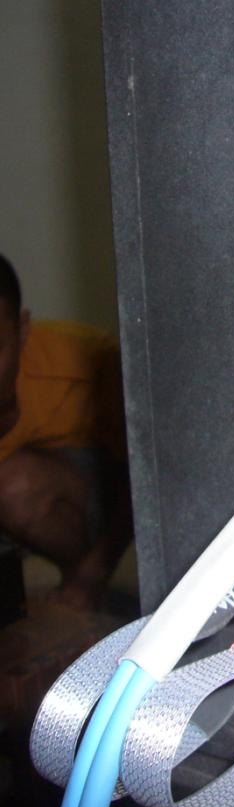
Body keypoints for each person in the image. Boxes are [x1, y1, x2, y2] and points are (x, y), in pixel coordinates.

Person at [0, 254, 133, 610]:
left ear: (22, 330)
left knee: (14, 486)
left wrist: (91, 575)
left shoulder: (88, 361)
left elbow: (152, 474)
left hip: (103, 475)